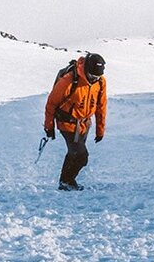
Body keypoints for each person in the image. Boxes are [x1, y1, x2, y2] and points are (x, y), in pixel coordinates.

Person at [44, 53, 107, 191]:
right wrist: (49, 127)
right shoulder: (69, 80)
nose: (94, 79)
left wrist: (100, 130)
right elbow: (51, 103)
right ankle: (68, 181)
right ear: (86, 70)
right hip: (67, 123)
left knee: (74, 153)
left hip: (85, 124)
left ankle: (65, 182)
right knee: (82, 156)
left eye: (97, 77)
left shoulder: (100, 82)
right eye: (92, 76)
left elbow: (101, 106)